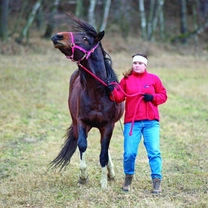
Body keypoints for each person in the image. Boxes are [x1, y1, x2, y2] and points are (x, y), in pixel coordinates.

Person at [107, 53, 167, 194]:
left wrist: (152, 97)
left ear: (145, 65)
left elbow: (163, 96)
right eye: (135, 63)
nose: (137, 65)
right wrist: (112, 92)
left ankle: (157, 181)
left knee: (154, 152)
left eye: (140, 63)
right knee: (129, 153)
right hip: (132, 123)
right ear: (132, 64)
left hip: (151, 122)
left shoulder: (154, 79)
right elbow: (119, 97)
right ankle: (128, 178)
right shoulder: (126, 80)